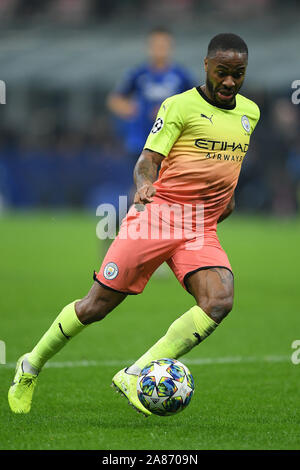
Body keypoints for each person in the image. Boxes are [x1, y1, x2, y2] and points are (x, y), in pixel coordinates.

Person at [8, 33, 260, 417]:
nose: (229, 81)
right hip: (158, 216)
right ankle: (30, 365)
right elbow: (147, 160)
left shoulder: (250, 114)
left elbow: (229, 164)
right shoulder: (178, 106)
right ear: (207, 66)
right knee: (95, 307)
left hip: (198, 227)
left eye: (237, 74)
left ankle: (135, 372)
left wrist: (228, 201)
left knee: (219, 300)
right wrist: (144, 185)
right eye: (222, 72)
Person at [107, 27, 195, 161]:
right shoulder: (138, 73)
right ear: (148, 47)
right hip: (141, 140)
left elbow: (195, 102)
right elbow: (115, 100)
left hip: (172, 143)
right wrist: (132, 110)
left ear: (171, 47)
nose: (159, 49)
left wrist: (170, 113)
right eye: (156, 45)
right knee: (142, 178)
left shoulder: (181, 75)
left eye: (163, 45)